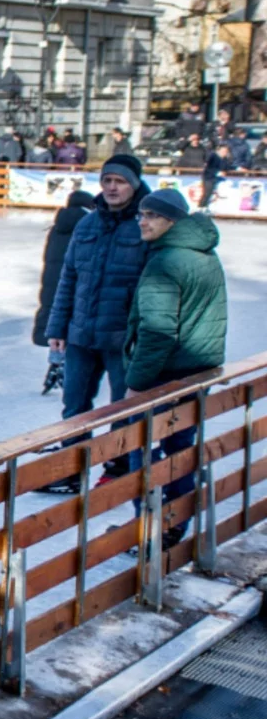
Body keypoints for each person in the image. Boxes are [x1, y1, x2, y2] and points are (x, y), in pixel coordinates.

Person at [124, 188, 226, 543]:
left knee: (144, 449)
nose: (143, 221)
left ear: (172, 220)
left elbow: (157, 331)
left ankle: (150, 528)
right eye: (141, 214)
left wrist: (136, 384)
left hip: (164, 376)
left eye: (152, 215)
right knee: (181, 446)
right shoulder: (205, 255)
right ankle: (176, 520)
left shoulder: (165, 262)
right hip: (196, 373)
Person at [46, 154, 152, 475]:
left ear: (133, 185)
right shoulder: (87, 223)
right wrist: (58, 326)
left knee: (123, 407)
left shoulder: (145, 224)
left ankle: (117, 466)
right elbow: (68, 278)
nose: (112, 187)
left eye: (119, 181)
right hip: (81, 333)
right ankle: (71, 467)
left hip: (122, 338)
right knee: (74, 406)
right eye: (107, 180)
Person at [32, 190, 96, 407]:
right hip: (72, 283)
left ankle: (55, 363)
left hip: (52, 282)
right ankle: (65, 369)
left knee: (57, 322)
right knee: (71, 324)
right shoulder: (87, 227)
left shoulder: (58, 226)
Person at [201, 142, 233, 208]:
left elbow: (227, 167)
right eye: (223, 151)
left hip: (217, 179)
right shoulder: (213, 156)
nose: (225, 153)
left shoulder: (225, 159)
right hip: (208, 178)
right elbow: (208, 168)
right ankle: (201, 207)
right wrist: (217, 172)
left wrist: (236, 167)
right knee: (207, 193)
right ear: (219, 150)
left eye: (226, 151)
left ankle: (207, 207)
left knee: (213, 193)